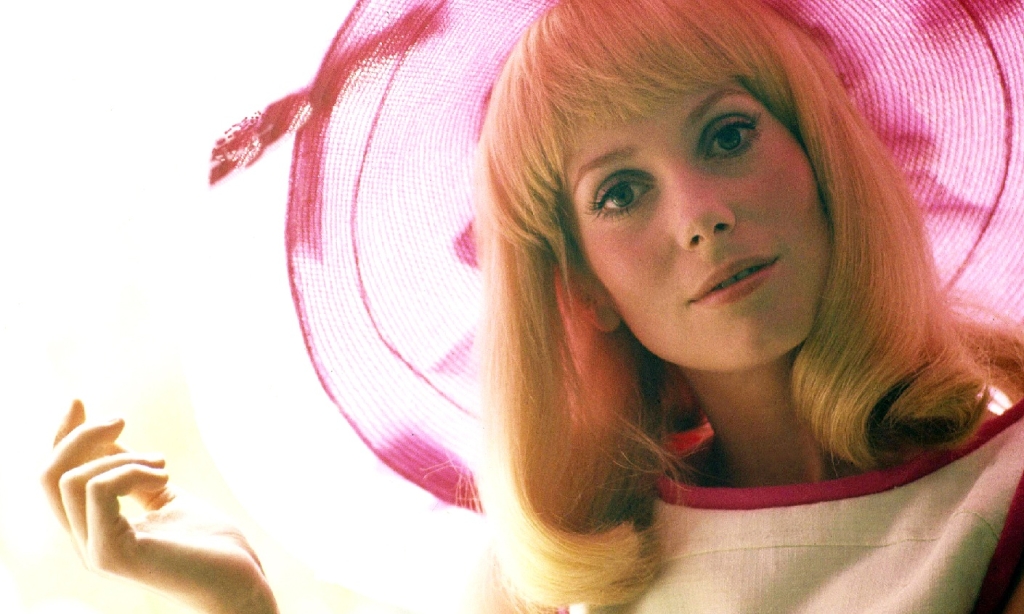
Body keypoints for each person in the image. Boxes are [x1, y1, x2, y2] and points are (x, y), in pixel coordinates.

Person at [41, 0, 1024, 612]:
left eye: (728, 134)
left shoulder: (1000, 500)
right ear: (582, 285)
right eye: (619, 193)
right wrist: (235, 603)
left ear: (821, 154)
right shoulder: (558, 587)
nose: (700, 215)